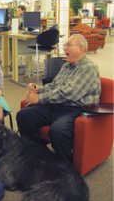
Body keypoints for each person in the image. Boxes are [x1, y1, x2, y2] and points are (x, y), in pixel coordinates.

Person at [16, 34, 101, 162]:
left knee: (58, 130)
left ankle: (65, 165)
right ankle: (39, 154)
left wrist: (40, 98)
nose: (64, 48)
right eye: (65, 45)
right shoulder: (67, 65)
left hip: (76, 109)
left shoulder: (88, 68)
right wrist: (39, 89)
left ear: (81, 49)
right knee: (23, 116)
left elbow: (70, 93)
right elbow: (55, 86)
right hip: (57, 105)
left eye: (68, 45)